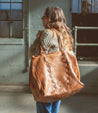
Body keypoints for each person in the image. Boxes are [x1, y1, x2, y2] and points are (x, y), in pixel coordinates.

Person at [29, 7, 74, 113]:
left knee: (44, 107)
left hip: (47, 80)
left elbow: (33, 54)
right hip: (59, 80)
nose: (41, 18)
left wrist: (37, 39)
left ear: (50, 18)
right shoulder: (64, 33)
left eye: (44, 16)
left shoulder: (47, 33)